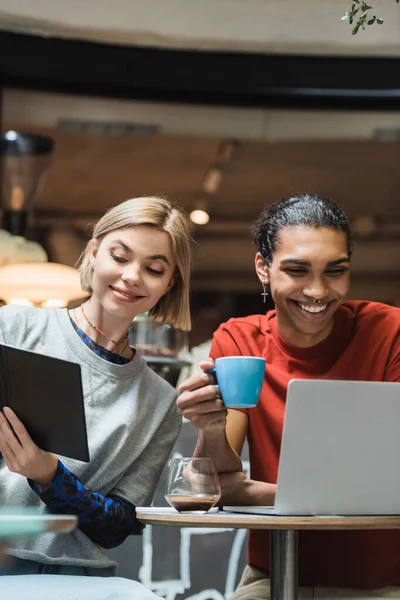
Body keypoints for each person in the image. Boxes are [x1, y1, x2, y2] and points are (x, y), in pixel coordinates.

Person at [177, 193, 400, 600]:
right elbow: (216, 483)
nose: (317, 291)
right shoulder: (239, 339)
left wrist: (259, 492)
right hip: (272, 574)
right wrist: (209, 429)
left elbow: (390, 485)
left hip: (380, 583)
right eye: (297, 270)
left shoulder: (389, 333)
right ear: (264, 268)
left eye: (336, 271)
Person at [0, 195, 191, 577]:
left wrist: (49, 477)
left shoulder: (162, 402)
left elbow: (118, 527)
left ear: (170, 283)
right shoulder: (14, 328)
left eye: (154, 268)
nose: (133, 276)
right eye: (120, 258)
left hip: (77, 577)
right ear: (93, 253)